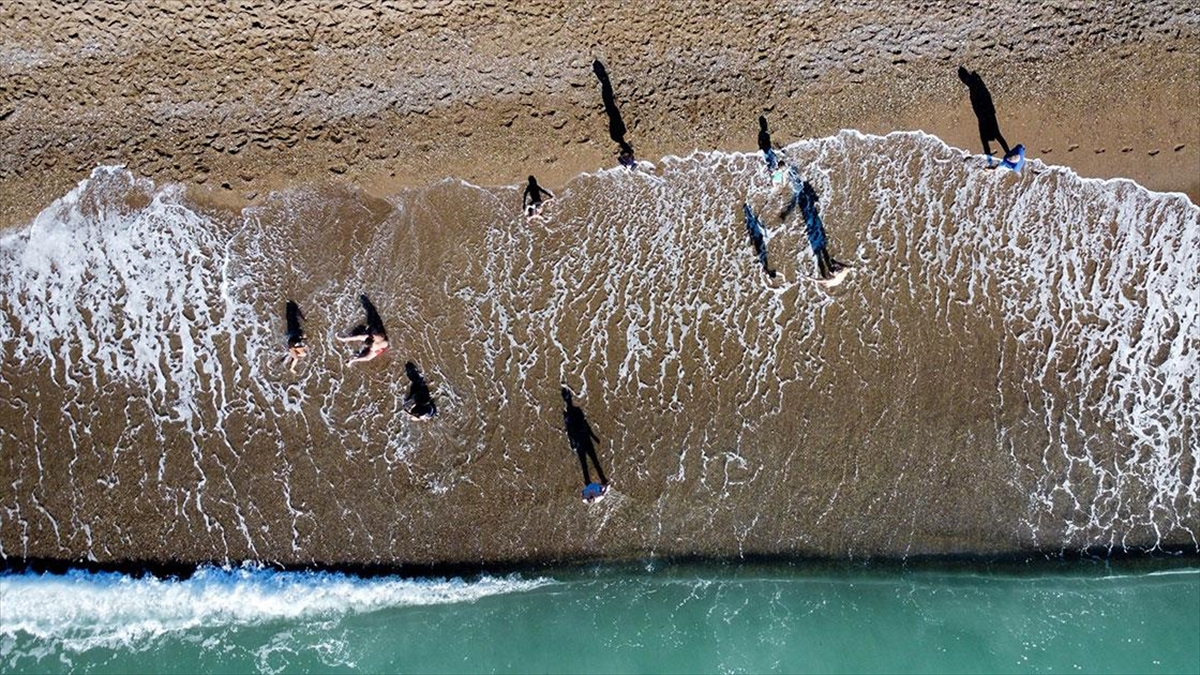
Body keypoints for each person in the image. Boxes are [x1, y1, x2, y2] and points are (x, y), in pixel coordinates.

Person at [957, 66, 1015, 162]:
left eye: (962, 79)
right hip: (984, 115)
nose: (963, 81)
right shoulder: (974, 83)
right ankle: (991, 158)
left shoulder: (976, 84)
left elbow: (985, 98)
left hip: (986, 115)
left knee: (995, 135)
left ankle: (1004, 156)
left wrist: (986, 113)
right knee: (987, 137)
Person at [562, 386, 609, 502]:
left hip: (580, 440)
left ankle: (593, 480)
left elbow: (571, 430)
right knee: (592, 460)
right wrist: (592, 436)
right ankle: (600, 479)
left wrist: (573, 442)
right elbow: (583, 425)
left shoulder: (569, 415)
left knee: (586, 463)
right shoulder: (575, 412)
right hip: (583, 439)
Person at [797, 179, 847, 280]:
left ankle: (823, 256)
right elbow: (847, 268)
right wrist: (837, 264)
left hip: (829, 276)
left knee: (821, 257)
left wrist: (808, 278)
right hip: (835, 273)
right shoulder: (838, 276)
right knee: (822, 253)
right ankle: (824, 255)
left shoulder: (830, 279)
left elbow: (819, 281)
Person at [337, 294, 389, 365]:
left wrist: (371, 329)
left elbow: (367, 356)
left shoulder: (375, 343)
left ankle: (353, 359)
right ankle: (352, 357)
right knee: (362, 340)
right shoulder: (373, 339)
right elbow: (361, 337)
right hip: (380, 344)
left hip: (381, 347)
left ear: (372, 339)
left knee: (367, 356)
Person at [742, 204, 777, 278]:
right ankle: (747, 209)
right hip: (758, 240)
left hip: (758, 239)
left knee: (751, 221)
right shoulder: (764, 261)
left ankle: (746, 209)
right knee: (752, 221)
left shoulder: (764, 261)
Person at [282, 300, 307, 373]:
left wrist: (301, 345)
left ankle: (291, 357)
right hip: (292, 341)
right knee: (297, 358)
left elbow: (293, 344)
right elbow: (293, 345)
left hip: (293, 339)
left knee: (291, 320)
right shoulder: (297, 339)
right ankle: (292, 368)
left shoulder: (296, 339)